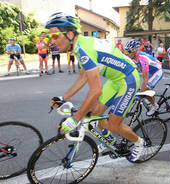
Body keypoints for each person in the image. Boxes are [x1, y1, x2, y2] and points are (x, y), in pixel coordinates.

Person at [46, 12, 145, 162]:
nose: (52, 41)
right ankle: (110, 143)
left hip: (129, 79)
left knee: (113, 124)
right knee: (95, 115)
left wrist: (75, 118)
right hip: (115, 80)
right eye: (50, 37)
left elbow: (96, 90)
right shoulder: (79, 47)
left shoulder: (84, 50)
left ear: (70, 35)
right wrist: (62, 98)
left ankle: (139, 143)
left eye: (55, 36)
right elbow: (83, 76)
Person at [124, 39, 163, 116]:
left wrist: (141, 92)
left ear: (134, 51)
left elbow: (145, 79)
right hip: (150, 71)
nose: (126, 54)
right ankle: (147, 98)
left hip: (157, 71)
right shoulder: (132, 57)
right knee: (142, 91)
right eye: (126, 51)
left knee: (146, 88)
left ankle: (154, 106)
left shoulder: (142, 59)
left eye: (128, 52)